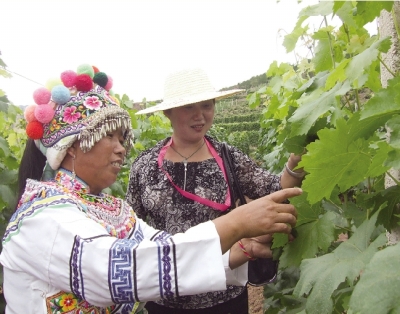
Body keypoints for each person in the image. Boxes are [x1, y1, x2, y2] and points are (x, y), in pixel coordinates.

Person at [0, 64, 301, 314]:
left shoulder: (110, 210)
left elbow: (161, 246)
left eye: (123, 139)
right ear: (71, 147)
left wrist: (239, 248)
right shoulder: (44, 218)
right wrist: (236, 223)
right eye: (111, 138)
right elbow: (119, 270)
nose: (121, 150)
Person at [126, 68, 305, 314]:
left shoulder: (228, 157)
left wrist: (295, 166)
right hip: (165, 298)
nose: (200, 115)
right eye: (189, 107)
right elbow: (130, 228)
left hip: (225, 297)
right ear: (168, 112)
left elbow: (276, 189)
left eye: (207, 105)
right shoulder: (145, 166)